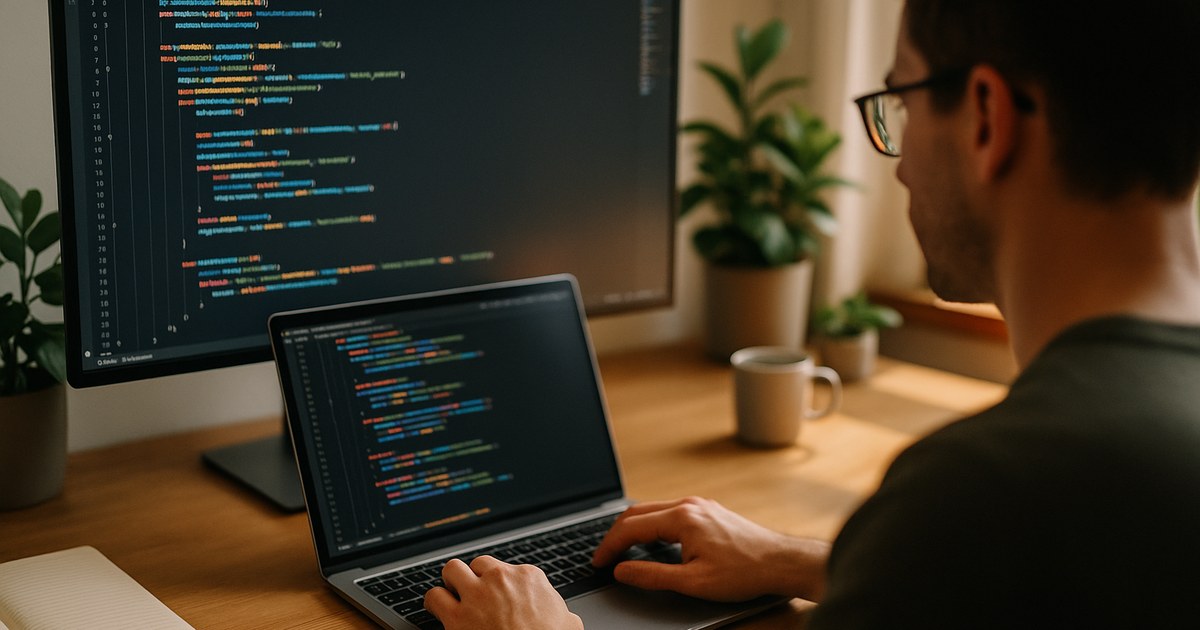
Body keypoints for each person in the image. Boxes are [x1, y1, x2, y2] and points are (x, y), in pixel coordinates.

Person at [423, 1, 1200, 627]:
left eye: (898, 104)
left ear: (986, 119)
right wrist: (802, 559)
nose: (895, 165)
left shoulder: (986, 493)